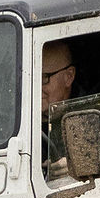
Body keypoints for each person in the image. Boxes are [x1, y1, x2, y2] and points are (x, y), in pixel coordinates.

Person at [40, 39, 76, 167]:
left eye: (44, 78)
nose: (34, 86)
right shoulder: (17, 120)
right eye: (31, 77)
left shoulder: (90, 115)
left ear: (69, 76)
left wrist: (74, 165)